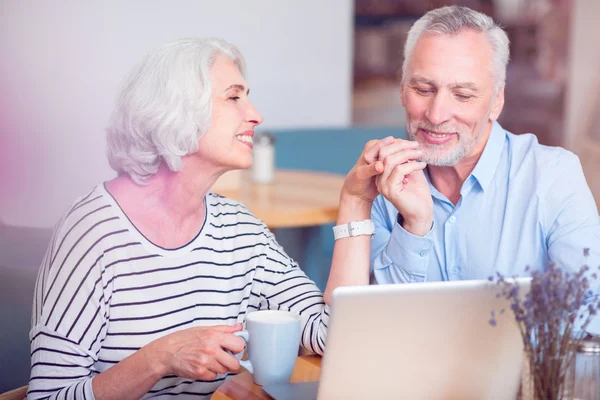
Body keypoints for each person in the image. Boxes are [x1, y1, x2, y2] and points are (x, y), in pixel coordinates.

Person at [28, 37, 403, 399]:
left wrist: (355, 202)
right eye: (234, 97)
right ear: (176, 109)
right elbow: (48, 397)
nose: (255, 115)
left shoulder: (239, 231)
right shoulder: (93, 233)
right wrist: (158, 358)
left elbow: (332, 335)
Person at [369, 6, 600, 327]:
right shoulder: (383, 187)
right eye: (423, 89)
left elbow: (591, 315)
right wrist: (414, 227)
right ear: (402, 91)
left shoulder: (553, 178)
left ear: (496, 102)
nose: (436, 115)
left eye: (462, 95)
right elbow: (378, 328)